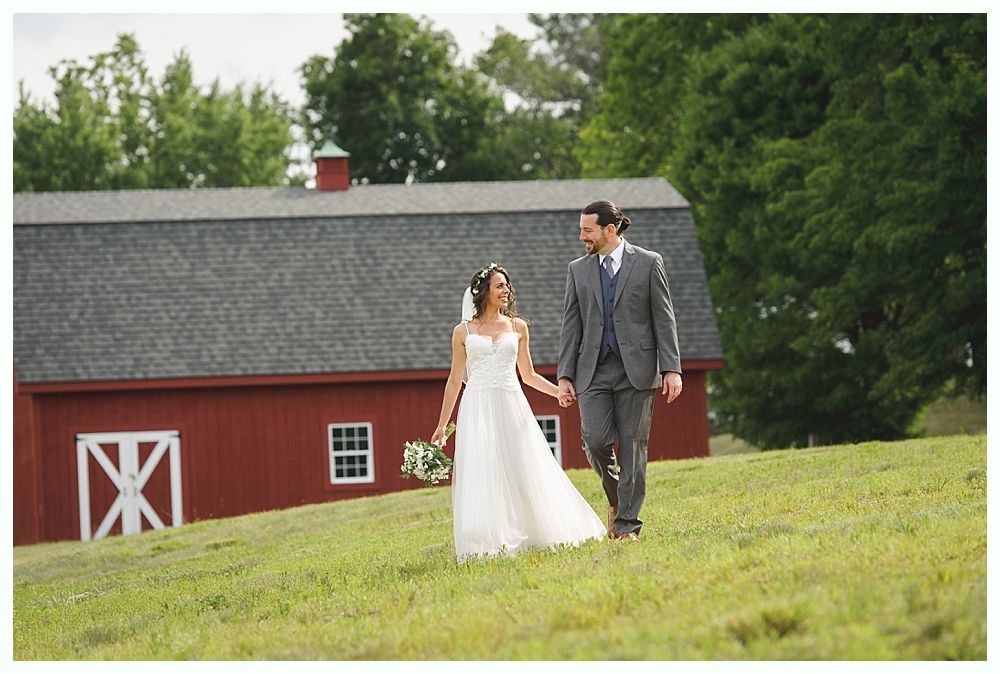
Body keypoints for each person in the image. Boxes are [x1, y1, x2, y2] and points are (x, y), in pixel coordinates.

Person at [431, 263, 606, 562]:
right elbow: (453, 381)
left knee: (526, 464)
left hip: (512, 403)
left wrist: (558, 392)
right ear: (484, 291)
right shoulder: (463, 332)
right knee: (483, 469)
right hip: (477, 407)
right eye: (500, 286)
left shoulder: (517, 327)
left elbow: (528, 375)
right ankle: (487, 541)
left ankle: (540, 530)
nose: (506, 291)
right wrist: (441, 426)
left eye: (507, 286)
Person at [557, 200, 683, 542]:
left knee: (632, 447)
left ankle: (627, 525)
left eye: (587, 230)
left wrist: (671, 368)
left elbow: (664, 318)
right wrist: (565, 376)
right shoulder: (578, 269)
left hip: (638, 370)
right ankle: (616, 499)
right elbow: (571, 325)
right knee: (595, 442)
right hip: (592, 370)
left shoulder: (648, 263)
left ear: (609, 230)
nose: (581, 235)